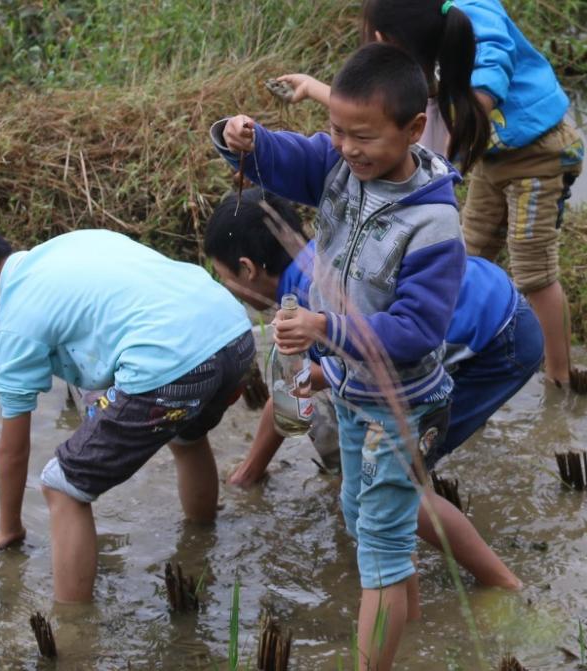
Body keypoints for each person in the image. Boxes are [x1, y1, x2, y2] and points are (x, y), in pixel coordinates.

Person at [212, 43, 466, 670]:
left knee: (377, 544)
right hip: (355, 393)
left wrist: (328, 326)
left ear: (412, 129)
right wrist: (242, 137)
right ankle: (404, 642)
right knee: (366, 522)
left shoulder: (433, 225)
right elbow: (288, 158)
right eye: (337, 131)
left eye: (364, 137)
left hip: (403, 405)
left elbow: (416, 329)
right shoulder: (341, 166)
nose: (347, 149)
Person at [0, 207, 254, 603]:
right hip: (233, 336)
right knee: (186, 438)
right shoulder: (68, 246)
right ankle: (201, 539)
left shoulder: (15, 321)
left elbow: (13, 450)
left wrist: (10, 528)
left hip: (173, 367)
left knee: (63, 485)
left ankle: (73, 627)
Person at [204, 188, 540, 590]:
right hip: (488, 300)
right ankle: (402, 573)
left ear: (247, 269)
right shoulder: (316, 258)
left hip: (497, 343)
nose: (228, 288)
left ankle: (502, 585)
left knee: (389, 484)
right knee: (375, 463)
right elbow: (296, 389)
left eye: (224, 278)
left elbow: (343, 367)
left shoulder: (314, 301)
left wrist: (313, 383)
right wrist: (250, 473)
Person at [278, 0, 585, 386]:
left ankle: (560, 377)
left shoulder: (466, 15)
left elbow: (493, 57)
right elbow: (376, 119)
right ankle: (473, 354)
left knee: (533, 269)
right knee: (466, 255)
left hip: (539, 151)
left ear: (386, 39)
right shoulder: (425, 76)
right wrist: (315, 88)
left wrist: (478, 101)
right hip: (495, 156)